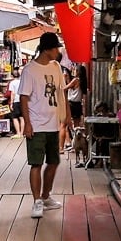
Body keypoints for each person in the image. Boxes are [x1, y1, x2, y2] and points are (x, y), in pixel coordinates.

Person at [19, 32, 73, 218]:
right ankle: (36, 202)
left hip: (52, 124)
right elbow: (23, 98)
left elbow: (60, 91)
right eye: (56, 48)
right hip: (36, 124)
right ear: (48, 49)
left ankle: (46, 196)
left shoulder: (56, 67)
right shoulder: (29, 70)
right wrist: (27, 124)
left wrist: (67, 116)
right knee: (36, 164)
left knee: (53, 162)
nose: (58, 51)